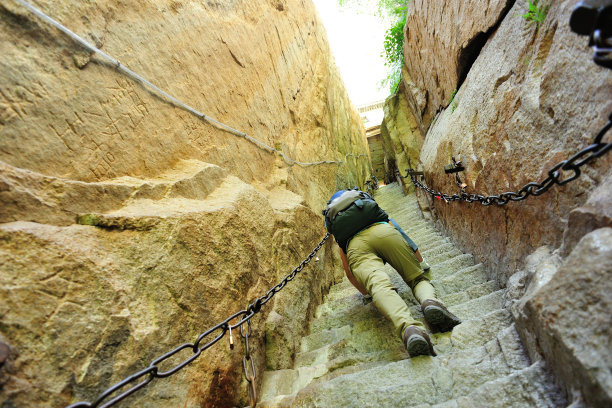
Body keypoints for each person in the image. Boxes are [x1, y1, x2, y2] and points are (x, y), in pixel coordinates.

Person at [323, 189, 461, 357]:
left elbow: (349, 272)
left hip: (355, 247)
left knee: (380, 287)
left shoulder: (339, 224)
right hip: (384, 231)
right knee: (417, 280)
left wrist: (367, 293)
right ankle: (429, 302)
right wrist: (420, 262)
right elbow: (397, 229)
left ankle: (409, 329)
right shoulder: (365, 206)